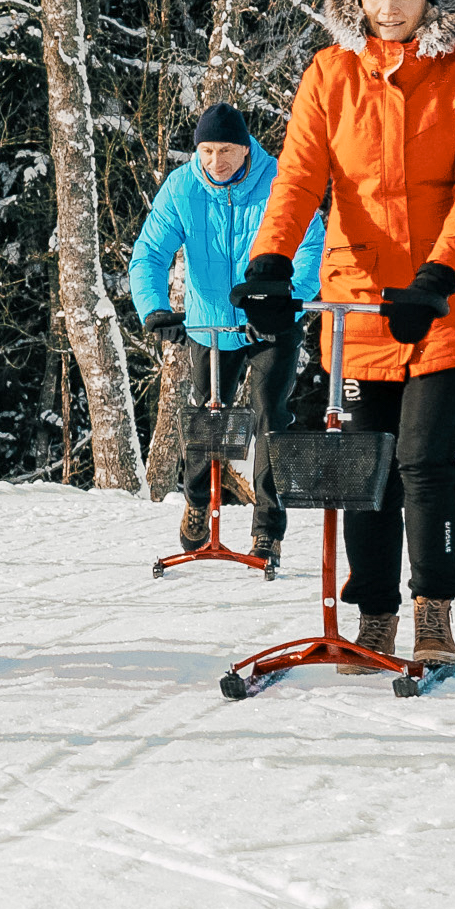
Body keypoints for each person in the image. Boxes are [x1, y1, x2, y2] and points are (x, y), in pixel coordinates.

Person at [235, 0, 455, 662]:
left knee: (421, 459)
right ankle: (375, 612)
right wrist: (269, 260)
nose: (389, 10)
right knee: (363, 464)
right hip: (358, 305)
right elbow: (298, 176)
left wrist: (439, 276)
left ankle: (433, 610)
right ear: (358, 0)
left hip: (444, 304)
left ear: (428, 2)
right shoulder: (331, 73)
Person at [123, 101, 323, 567]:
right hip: (209, 324)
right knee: (209, 419)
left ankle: (267, 531)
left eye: (227, 150)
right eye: (208, 151)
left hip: (271, 325)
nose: (217, 162)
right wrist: (154, 309)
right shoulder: (182, 187)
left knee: (271, 418)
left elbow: (313, 243)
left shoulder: (278, 181)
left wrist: (287, 298)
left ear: (246, 147)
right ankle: (195, 501)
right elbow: (149, 253)